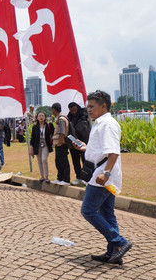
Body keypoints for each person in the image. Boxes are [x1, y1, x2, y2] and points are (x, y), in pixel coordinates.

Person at [75, 90, 132, 265]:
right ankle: (112, 252)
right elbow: (102, 149)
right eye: (88, 106)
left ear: (103, 106)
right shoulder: (101, 123)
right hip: (104, 173)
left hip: (103, 176)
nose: (89, 110)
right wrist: (86, 148)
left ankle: (119, 242)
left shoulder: (107, 124)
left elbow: (113, 151)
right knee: (107, 213)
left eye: (92, 106)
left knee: (88, 210)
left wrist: (106, 173)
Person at [68, 101, 91, 185]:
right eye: (72, 111)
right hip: (74, 141)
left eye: (75, 110)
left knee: (85, 160)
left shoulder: (84, 114)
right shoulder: (69, 117)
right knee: (75, 160)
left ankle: (87, 178)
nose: (73, 112)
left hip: (84, 140)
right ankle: (78, 177)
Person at [29, 111, 54, 183]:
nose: (41, 117)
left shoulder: (49, 125)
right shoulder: (35, 127)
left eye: (43, 115)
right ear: (37, 117)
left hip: (46, 144)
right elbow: (32, 138)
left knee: (44, 159)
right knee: (39, 161)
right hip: (38, 145)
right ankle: (42, 176)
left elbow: (54, 133)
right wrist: (31, 148)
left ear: (45, 117)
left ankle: (46, 177)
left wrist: (52, 140)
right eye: (39, 116)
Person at [51, 102, 71, 185]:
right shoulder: (59, 118)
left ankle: (66, 180)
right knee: (58, 161)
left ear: (54, 110)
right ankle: (60, 178)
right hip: (59, 144)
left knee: (63, 162)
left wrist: (60, 142)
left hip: (61, 144)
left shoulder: (61, 119)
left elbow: (62, 133)